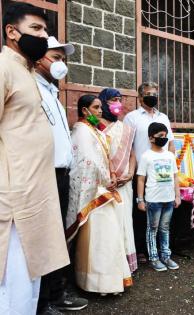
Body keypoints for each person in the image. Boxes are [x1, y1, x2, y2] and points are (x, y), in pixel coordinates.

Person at [0, 3, 69, 314]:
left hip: (36, 192)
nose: (44, 36)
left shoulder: (25, 71)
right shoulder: (3, 67)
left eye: (46, 30)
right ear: (12, 32)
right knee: (12, 286)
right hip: (13, 197)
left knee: (30, 284)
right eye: (37, 29)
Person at [35, 36, 88, 314]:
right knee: (44, 240)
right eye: (55, 58)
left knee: (57, 237)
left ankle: (55, 293)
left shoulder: (52, 91)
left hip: (61, 175)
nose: (60, 64)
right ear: (38, 58)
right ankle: (43, 302)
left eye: (62, 59)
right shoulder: (32, 89)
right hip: (43, 174)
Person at [66, 95, 132, 295]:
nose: (100, 111)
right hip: (95, 195)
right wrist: (107, 180)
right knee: (98, 241)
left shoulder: (96, 131)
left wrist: (111, 175)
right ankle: (96, 284)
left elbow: (105, 159)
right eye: (95, 108)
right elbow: (88, 163)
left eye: (100, 107)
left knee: (110, 239)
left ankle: (111, 283)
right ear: (84, 110)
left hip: (104, 192)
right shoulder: (81, 131)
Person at [123, 82, 175, 262]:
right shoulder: (132, 117)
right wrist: (131, 170)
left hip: (162, 173)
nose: (152, 96)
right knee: (141, 211)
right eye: (148, 93)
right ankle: (140, 250)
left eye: (154, 93)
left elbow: (171, 143)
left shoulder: (164, 117)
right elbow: (127, 146)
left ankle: (163, 249)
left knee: (162, 211)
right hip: (141, 173)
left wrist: (172, 164)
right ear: (140, 97)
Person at [99, 88, 138, 273]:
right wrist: (111, 177)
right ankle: (109, 270)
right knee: (107, 227)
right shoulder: (94, 124)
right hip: (106, 185)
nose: (118, 104)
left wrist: (130, 173)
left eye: (119, 100)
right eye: (113, 99)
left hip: (124, 183)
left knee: (124, 223)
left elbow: (131, 154)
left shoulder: (125, 128)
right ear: (103, 102)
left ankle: (125, 267)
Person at [137, 122, 181, 271]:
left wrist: (177, 196)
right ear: (151, 138)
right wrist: (140, 199)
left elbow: (175, 177)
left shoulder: (170, 155)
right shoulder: (146, 156)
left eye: (165, 135)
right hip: (153, 200)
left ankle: (166, 256)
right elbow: (141, 179)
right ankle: (154, 258)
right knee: (152, 228)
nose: (164, 138)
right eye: (160, 136)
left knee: (165, 228)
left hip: (168, 199)